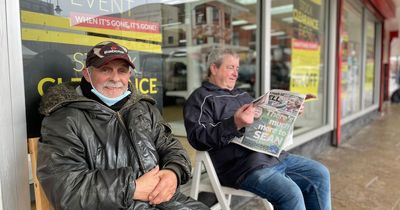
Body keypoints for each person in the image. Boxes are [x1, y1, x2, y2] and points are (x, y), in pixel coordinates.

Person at [37, 41, 209, 210]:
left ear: (129, 75)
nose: (115, 78)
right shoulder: (63, 119)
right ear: (87, 74)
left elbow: (171, 146)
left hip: (164, 201)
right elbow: (67, 189)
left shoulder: (143, 108)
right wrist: (131, 188)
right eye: (105, 70)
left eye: (122, 70)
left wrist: (174, 172)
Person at [183, 48, 331, 210]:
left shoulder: (243, 95)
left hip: (272, 156)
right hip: (241, 167)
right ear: (214, 68)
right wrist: (235, 123)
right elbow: (198, 138)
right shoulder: (199, 99)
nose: (236, 74)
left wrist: (289, 111)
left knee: (319, 173)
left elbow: (264, 122)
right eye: (230, 67)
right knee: (290, 192)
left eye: (237, 68)